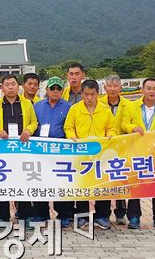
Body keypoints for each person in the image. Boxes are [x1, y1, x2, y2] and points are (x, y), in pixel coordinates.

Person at [0, 74, 38, 227]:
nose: (10, 87)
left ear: (18, 86)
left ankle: (24, 216)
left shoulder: (27, 104)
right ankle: (3, 216)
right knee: (2, 182)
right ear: (2, 88)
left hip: (22, 150)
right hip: (2, 150)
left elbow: (34, 122)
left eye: (13, 84)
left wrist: (28, 130)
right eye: (7, 84)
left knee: (23, 181)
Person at [64, 79, 116, 230]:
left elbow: (111, 127)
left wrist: (110, 136)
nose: (89, 98)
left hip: (101, 152)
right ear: (81, 94)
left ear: (98, 94)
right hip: (81, 152)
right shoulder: (75, 109)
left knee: (102, 184)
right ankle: (82, 216)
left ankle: (102, 215)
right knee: (83, 185)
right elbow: (68, 127)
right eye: (86, 94)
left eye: (92, 94)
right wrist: (71, 136)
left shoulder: (105, 110)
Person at [122, 78, 155, 231]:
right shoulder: (132, 106)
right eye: (148, 88)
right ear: (142, 90)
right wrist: (133, 128)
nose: (151, 91)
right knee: (135, 184)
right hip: (137, 151)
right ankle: (134, 217)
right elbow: (124, 124)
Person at [33, 77, 71, 227]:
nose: (55, 91)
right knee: (39, 181)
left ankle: (63, 214)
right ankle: (41, 213)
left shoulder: (68, 107)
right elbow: (33, 124)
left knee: (60, 182)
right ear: (47, 90)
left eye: (58, 89)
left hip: (60, 150)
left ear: (62, 91)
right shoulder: (37, 106)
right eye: (52, 88)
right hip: (40, 150)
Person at [99, 75, 132, 225]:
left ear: (120, 87)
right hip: (103, 148)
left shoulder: (128, 105)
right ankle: (104, 213)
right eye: (109, 86)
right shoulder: (99, 104)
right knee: (104, 181)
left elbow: (130, 123)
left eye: (115, 86)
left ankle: (120, 213)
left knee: (120, 180)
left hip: (122, 147)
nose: (112, 89)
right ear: (105, 88)